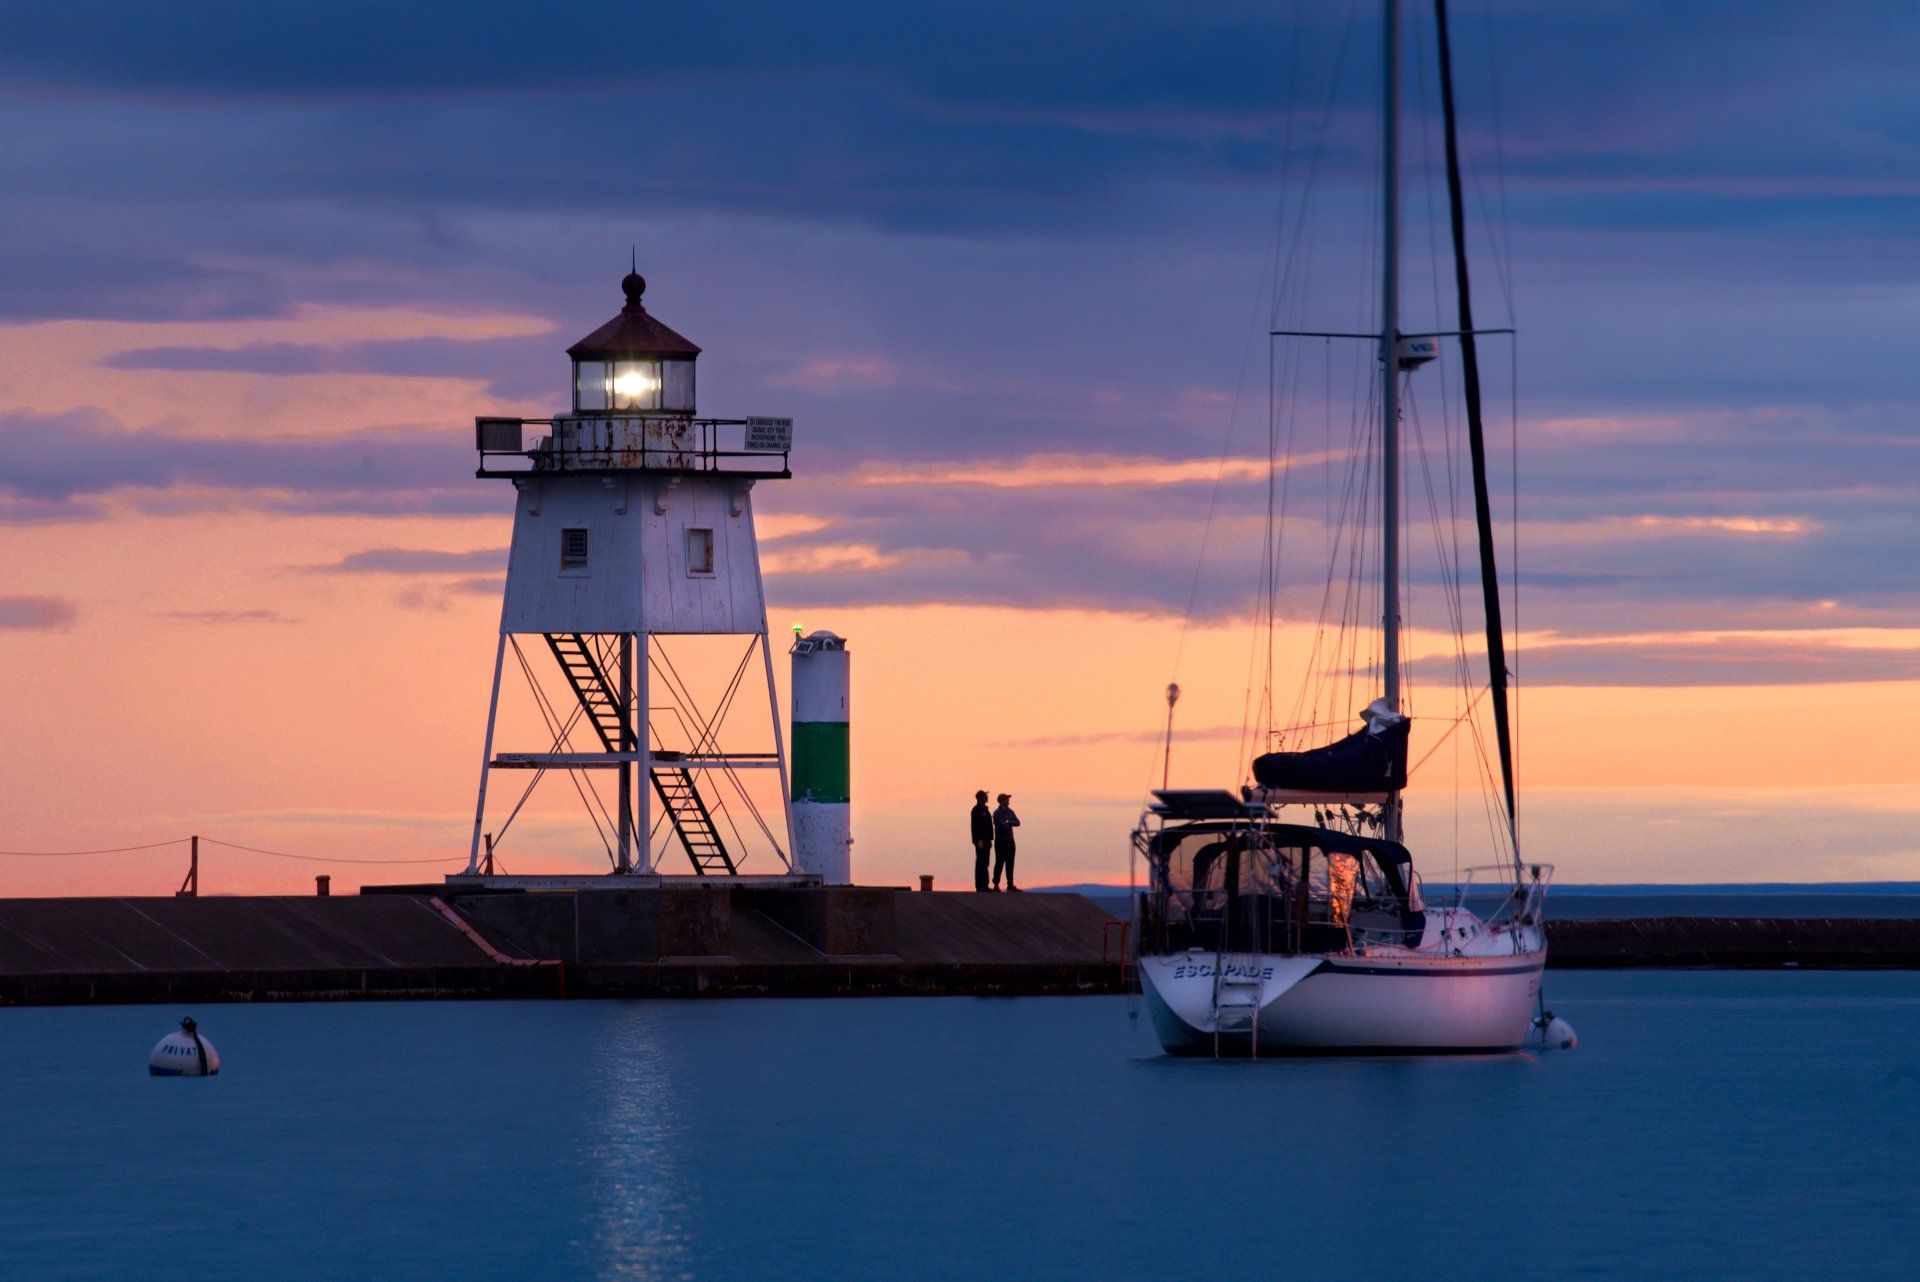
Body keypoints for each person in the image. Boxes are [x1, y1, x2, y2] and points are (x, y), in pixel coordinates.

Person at [992, 793, 1021, 892]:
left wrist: (1008, 822)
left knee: (1010, 863)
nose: (1008, 800)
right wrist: (1008, 823)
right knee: (999, 862)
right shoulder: (997, 813)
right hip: (1001, 842)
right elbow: (1001, 825)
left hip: (1010, 841)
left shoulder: (1010, 811)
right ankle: (996, 884)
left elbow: (1017, 822)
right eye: (1006, 799)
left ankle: (1010, 885)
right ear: (1001, 801)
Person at [970, 790, 993, 892]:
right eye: (984, 796)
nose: (986, 797)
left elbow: (989, 827)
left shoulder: (986, 810)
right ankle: (980, 886)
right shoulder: (976, 810)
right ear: (979, 797)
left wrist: (990, 839)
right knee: (981, 861)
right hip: (980, 841)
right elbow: (975, 827)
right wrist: (978, 840)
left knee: (985, 862)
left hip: (987, 840)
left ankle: (985, 885)